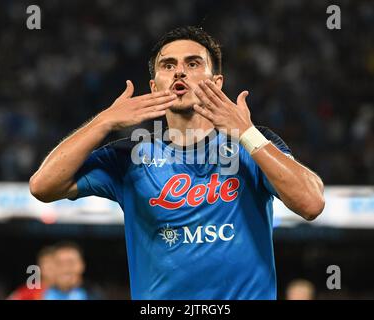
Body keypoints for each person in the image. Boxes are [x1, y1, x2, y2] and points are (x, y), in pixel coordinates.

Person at [29, 26, 325, 299]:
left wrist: (246, 132)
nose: (179, 72)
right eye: (168, 65)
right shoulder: (128, 156)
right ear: (155, 86)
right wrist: (105, 121)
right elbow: (43, 186)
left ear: (216, 82)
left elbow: (311, 203)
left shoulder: (252, 144)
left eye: (193, 64)